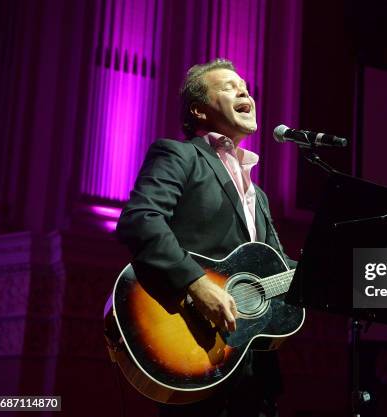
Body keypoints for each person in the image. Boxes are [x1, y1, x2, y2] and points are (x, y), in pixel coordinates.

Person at [116, 58, 294, 416]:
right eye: (228, 86)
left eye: (244, 85)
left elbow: (278, 269)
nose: (244, 90)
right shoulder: (180, 155)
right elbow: (141, 220)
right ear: (198, 110)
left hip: (250, 373)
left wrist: (347, 265)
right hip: (190, 346)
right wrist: (195, 284)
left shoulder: (257, 195)